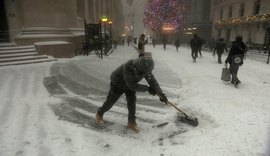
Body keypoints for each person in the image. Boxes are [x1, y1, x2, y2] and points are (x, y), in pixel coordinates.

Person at [95, 55, 168, 133]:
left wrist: (160, 94)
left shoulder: (145, 69)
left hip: (130, 85)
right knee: (110, 101)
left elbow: (153, 82)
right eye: (145, 72)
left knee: (132, 103)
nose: (147, 73)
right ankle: (99, 113)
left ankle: (131, 123)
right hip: (118, 83)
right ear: (140, 68)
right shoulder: (127, 67)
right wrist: (148, 89)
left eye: (148, 72)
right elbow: (133, 86)